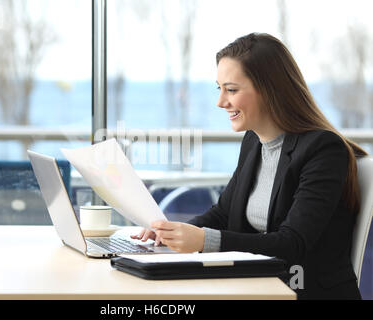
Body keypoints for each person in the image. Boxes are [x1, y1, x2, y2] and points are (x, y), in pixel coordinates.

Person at [131, 33, 368, 300]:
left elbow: (293, 243)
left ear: (270, 89)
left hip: (301, 291)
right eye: (219, 89)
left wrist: (202, 240)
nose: (221, 102)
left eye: (231, 90)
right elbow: (222, 214)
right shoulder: (254, 141)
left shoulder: (323, 150)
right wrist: (170, 232)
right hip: (261, 286)